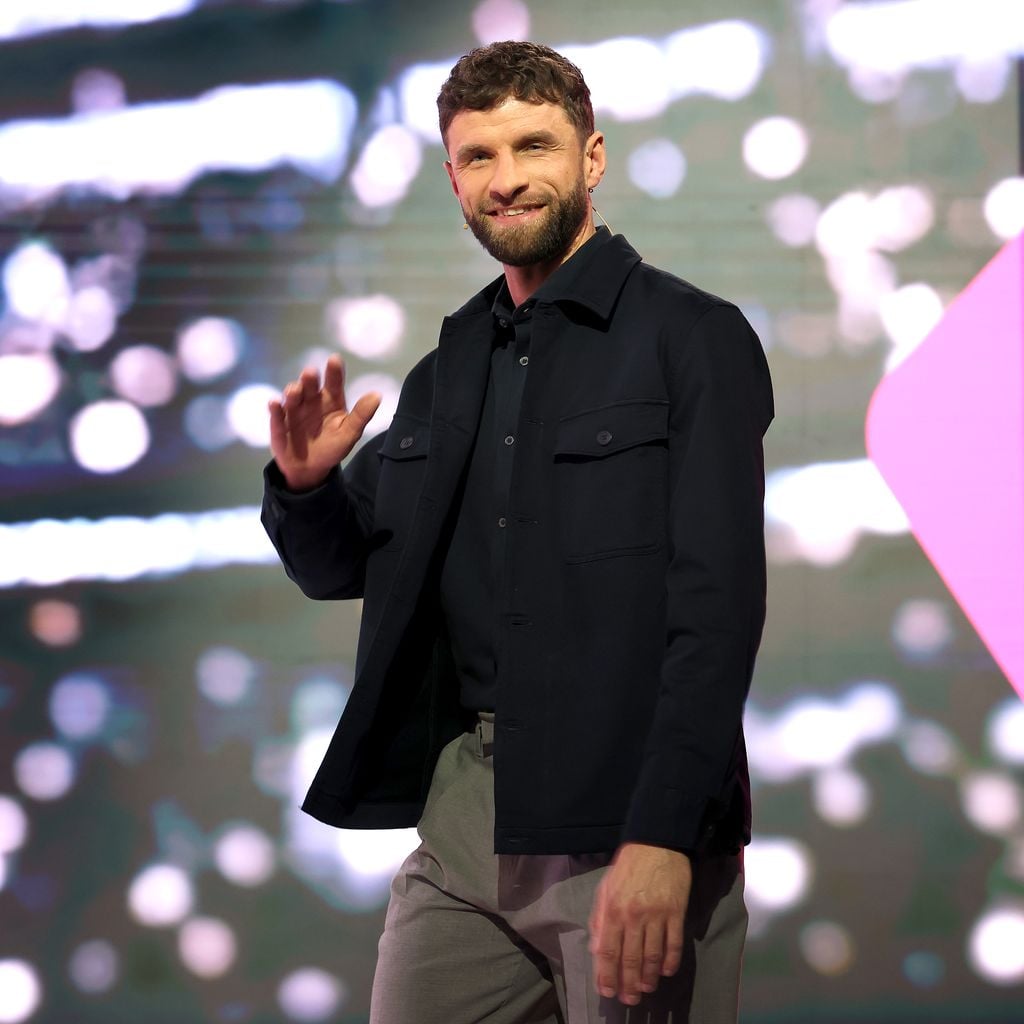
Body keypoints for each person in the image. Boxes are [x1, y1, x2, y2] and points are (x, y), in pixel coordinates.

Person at [262, 40, 773, 1024]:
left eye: (531, 146)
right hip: (462, 828)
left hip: (626, 819)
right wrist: (303, 485)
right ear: (452, 177)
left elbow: (718, 609)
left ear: (590, 158)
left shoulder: (691, 338)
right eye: (478, 157)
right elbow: (344, 567)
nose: (507, 180)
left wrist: (664, 836)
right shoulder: (445, 368)